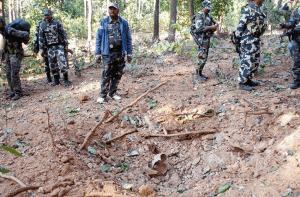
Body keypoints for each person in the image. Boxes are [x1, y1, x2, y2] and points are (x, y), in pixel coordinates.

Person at [95, 2, 133, 103]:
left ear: (118, 11)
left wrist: (129, 53)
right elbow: (98, 38)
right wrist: (97, 53)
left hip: (120, 53)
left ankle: (113, 93)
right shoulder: (103, 22)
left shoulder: (123, 23)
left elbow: (128, 39)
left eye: (114, 9)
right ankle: (103, 95)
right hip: (107, 53)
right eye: (110, 9)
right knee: (106, 74)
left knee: (118, 74)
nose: (112, 11)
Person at [235, 0, 266, 91]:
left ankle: (247, 80)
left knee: (255, 61)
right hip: (248, 40)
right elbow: (241, 25)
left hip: (255, 39)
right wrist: (238, 38)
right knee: (247, 61)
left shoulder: (258, 9)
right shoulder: (248, 9)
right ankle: (242, 82)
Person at [39, 9, 70, 86]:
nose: (46, 16)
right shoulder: (42, 25)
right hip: (49, 47)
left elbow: (64, 34)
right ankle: (56, 80)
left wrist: (66, 46)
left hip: (59, 46)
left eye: (47, 15)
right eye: (45, 15)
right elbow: (41, 38)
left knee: (62, 62)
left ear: (51, 15)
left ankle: (66, 80)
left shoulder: (57, 23)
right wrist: (41, 49)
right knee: (52, 64)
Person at [3, 18, 31, 100]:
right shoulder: (3, 30)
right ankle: (13, 91)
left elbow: (25, 34)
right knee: (8, 73)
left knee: (14, 74)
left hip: (16, 53)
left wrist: (22, 39)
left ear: (2, 22)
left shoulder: (10, 30)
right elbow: (5, 43)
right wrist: (2, 56)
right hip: (9, 53)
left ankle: (18, 92)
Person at [192, 0, 217, 81]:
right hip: (201, 39)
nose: (209, 10)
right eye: (207, 8)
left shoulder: (208, 15)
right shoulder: (200, 15)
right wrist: (211, 27)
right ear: (203, 7)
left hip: (207, 38)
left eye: (209, 8)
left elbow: (214, 24)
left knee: (205, 57)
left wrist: (215, 26)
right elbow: (199, 28)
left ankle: (200, 73)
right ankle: (197, 75)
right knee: (201, 56)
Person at [280, 5, 300, 89]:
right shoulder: (297, 10)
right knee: (296, 60)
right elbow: (291, 23)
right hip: (296, 39)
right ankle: (297, 80)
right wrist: (284, 25)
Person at [33, 18, 51, 83]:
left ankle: (49, 78)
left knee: (46, 62)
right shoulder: (49, 22)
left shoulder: (40, 23)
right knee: (53, 62)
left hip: (45, 46)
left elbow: (36, 37)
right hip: (48, 45)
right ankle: (54, 78)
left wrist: (36, 49)